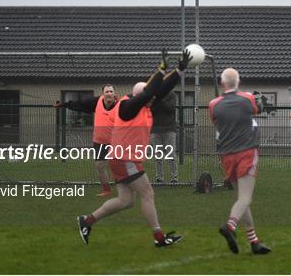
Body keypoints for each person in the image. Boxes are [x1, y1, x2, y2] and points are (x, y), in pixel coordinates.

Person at [76, 49, 191, 247]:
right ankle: (160, 239)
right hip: (125, 159)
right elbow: (151, 90)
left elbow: (159, 90)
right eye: (149, 96)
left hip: (121, 158)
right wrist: (161, 69)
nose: (154, 99)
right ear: (141, 96)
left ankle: (86, 221)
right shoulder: (127, 106)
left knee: (126, 201)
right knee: (147, 194)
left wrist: (179, 70)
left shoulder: (143, 104)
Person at [210, 68, 271, 255]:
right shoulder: (247, 99)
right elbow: (257, 107)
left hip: (227, 155)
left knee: (241, 200)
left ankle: (254, 242)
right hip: (245, 151)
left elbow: (217, 122)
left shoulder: (214, 104)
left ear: (222, 84)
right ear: (239, 82)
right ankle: (230, 226)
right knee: (245, 198)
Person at [54, 84, 117, 197]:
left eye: (111, 91)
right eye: (106, 92)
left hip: (117, 141)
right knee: (99, 165)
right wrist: (64, 104)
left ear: (114, 93)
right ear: (103, 94)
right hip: (100, 141)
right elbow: (80, 104)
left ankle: (129, 187)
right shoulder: (96, 102)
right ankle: (106, 190)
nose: (109, 94)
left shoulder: (120, 106)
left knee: (119, 165)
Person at [151, 91, 178, 183]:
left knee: (171, 154)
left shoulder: (172, 95)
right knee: (158, 155)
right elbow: (151, 110)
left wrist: (160, 99)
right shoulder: (152, 95)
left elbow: (170, 109)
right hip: (155, 129)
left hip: (169, 129)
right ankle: (159, 178)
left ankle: (174, 178)